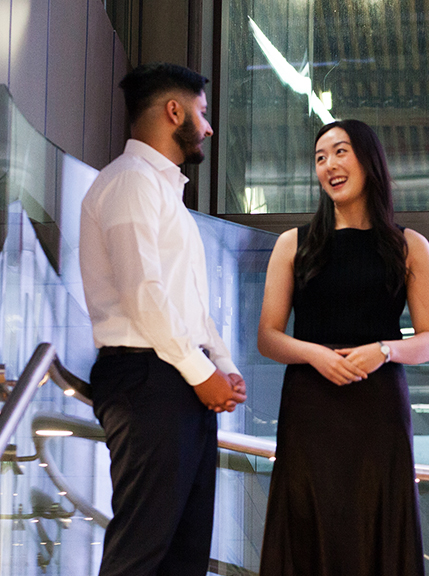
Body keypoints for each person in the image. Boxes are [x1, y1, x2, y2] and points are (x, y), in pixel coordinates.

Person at [79, 62, 247, 576]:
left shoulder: (162, 191)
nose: (208, 127)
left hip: (173, 378)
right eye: (202, 112)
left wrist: (221, 365)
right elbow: (143, 295)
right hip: (147, 377)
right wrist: (202, 373)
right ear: (174, 111)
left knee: (183, 556)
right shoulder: (130, 181)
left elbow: (187, 302)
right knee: (141, 551)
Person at [257, 119, 429, 575]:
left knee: (374, 522)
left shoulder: (409, 246)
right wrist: (315, 354)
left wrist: (383, 350)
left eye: (340, 152)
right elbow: (268, 336)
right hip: (310, 405)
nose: (329, 165)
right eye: (320, 158)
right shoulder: (292, 244)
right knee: (308, 519)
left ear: (368, 160)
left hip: (377, 407)